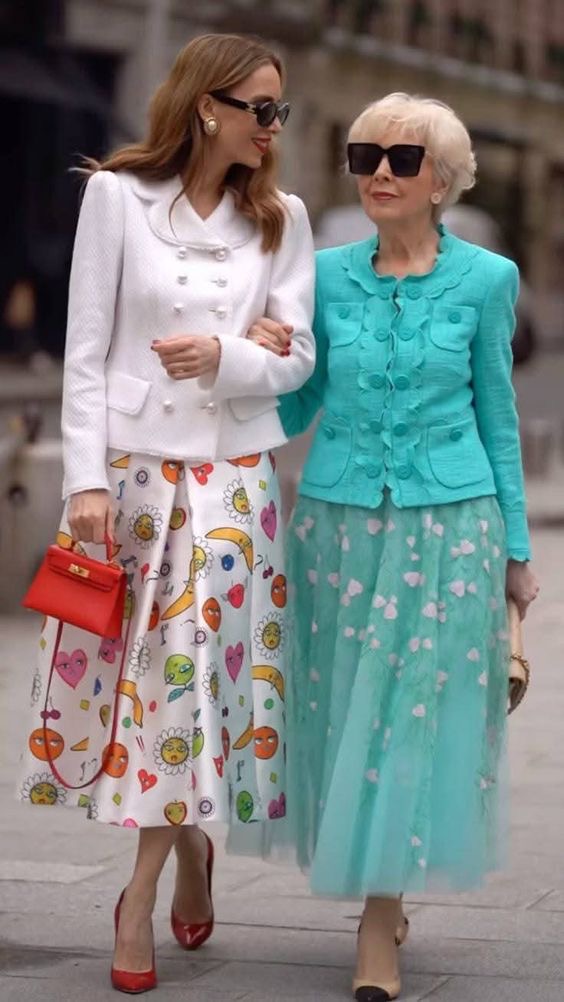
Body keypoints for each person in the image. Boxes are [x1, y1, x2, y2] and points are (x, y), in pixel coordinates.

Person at [17, 33, 315, 994]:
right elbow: (86, 351)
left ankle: (138, 894)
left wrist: (231, 356)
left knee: (190, 686)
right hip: (137, 479)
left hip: (232, 482)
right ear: (206, 107)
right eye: (259, 108)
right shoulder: (116, 197)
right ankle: (189, 846)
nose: (273, 126)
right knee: (148, 688)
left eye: (279, 110)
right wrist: (85, 482)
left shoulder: (283, 219)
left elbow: (299, 358)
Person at [245, 93, 539, 1001]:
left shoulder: (489, 279)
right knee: (347, 719)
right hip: (334, 528)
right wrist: (249, 365)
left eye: (401, 159)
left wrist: (517, 552)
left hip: (451, 530)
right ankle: (382, 891)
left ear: (441, 180)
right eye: (363, 154)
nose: (378, 172)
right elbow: (301, 399)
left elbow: (499, 416)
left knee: (412, 715)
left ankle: (380, 919)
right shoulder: (322, 277)